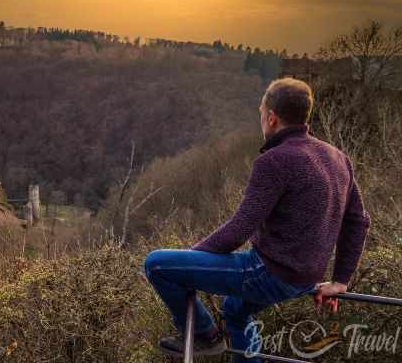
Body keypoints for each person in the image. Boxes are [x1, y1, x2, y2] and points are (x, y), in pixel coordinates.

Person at [143, 78, 371, 362]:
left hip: (269, 274)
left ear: (272, 118)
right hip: (305, 278)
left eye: (262, 114)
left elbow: (240, 227)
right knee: (235, 309)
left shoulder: (275, 160)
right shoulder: (337, 157)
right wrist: (340, 280)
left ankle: (205, 335)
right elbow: (358, 221)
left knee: (157, 264)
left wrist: (193, 258)